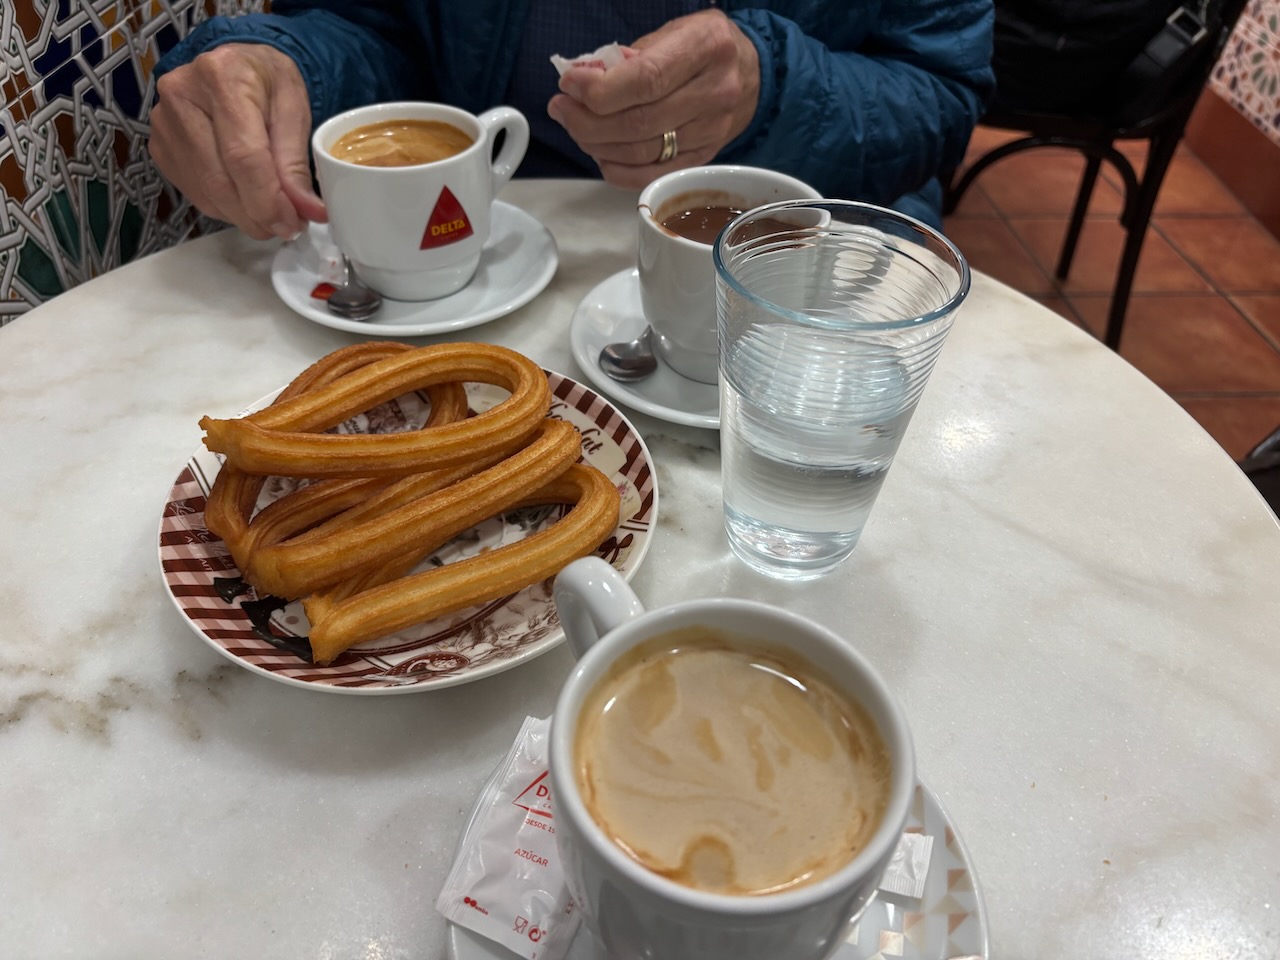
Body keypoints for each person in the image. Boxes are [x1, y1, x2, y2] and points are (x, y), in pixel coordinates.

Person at [149, 1, 994, 241]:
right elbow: (379, 28)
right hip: (481, 248)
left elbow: (941, 89)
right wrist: (286, 65)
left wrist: (772, 92)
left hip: (792, 260)